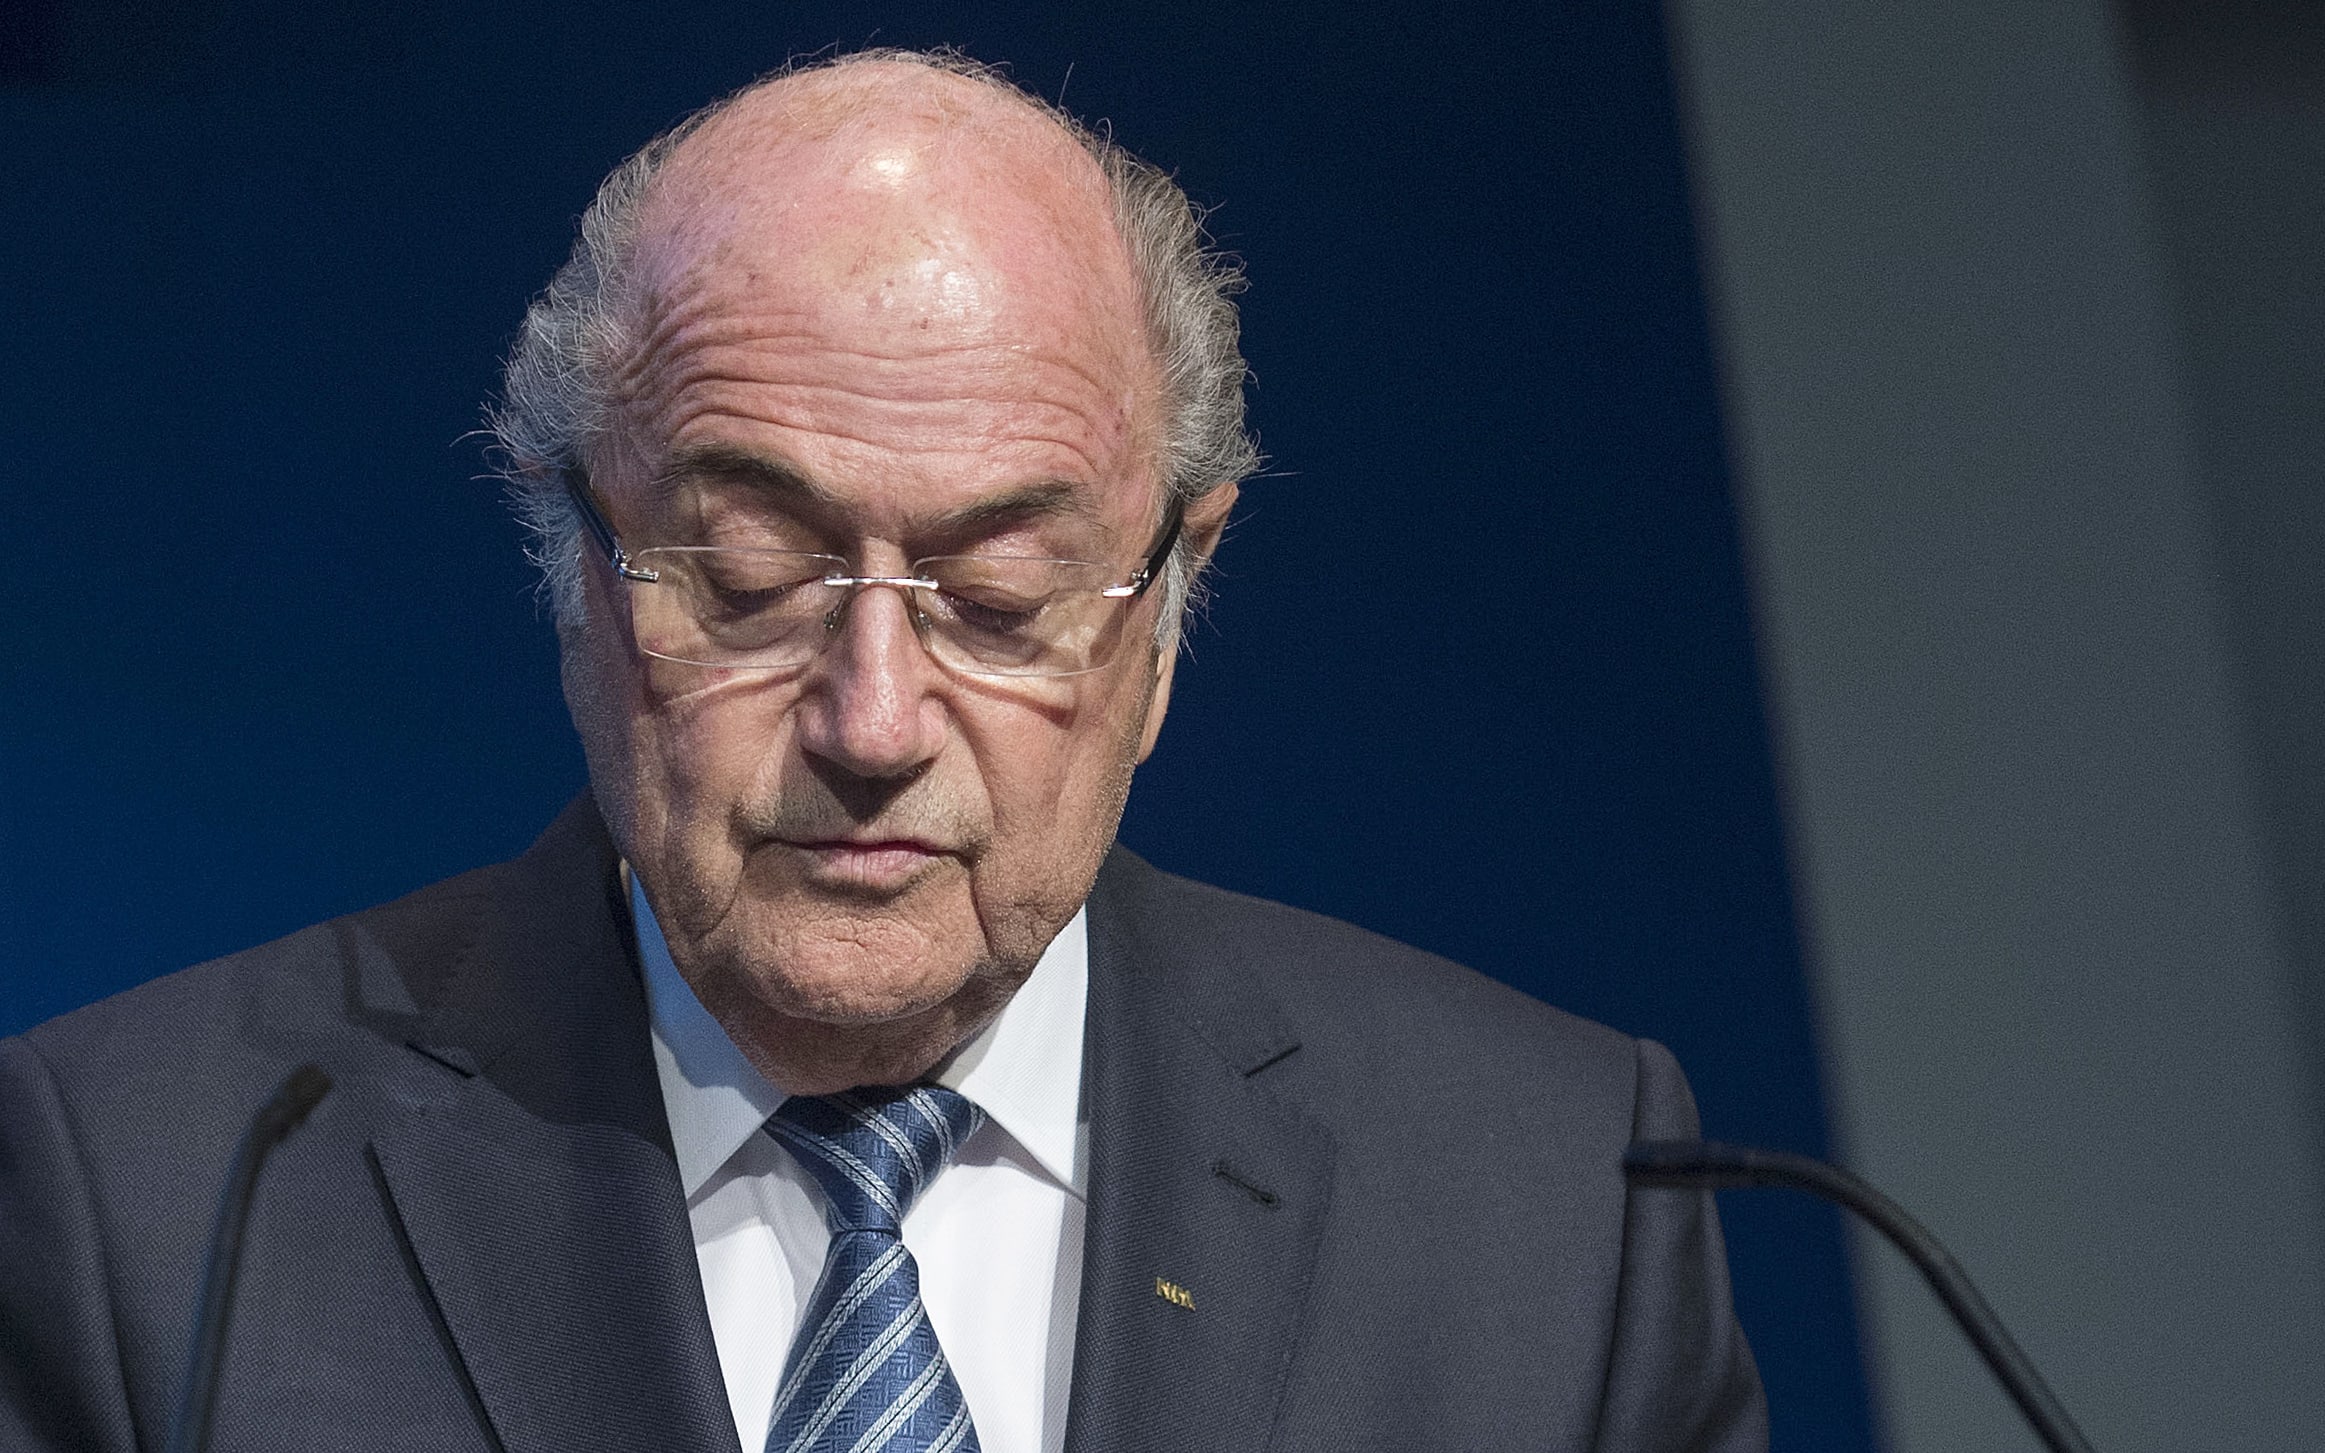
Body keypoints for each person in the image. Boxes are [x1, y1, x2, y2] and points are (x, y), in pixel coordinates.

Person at [0, 49, 1765, 1453]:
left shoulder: (1549, 1206)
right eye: (753, 578)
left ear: (1166, 603)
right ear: (579, 573)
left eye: (998, 595)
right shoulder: (144, 1196)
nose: (872, 719)